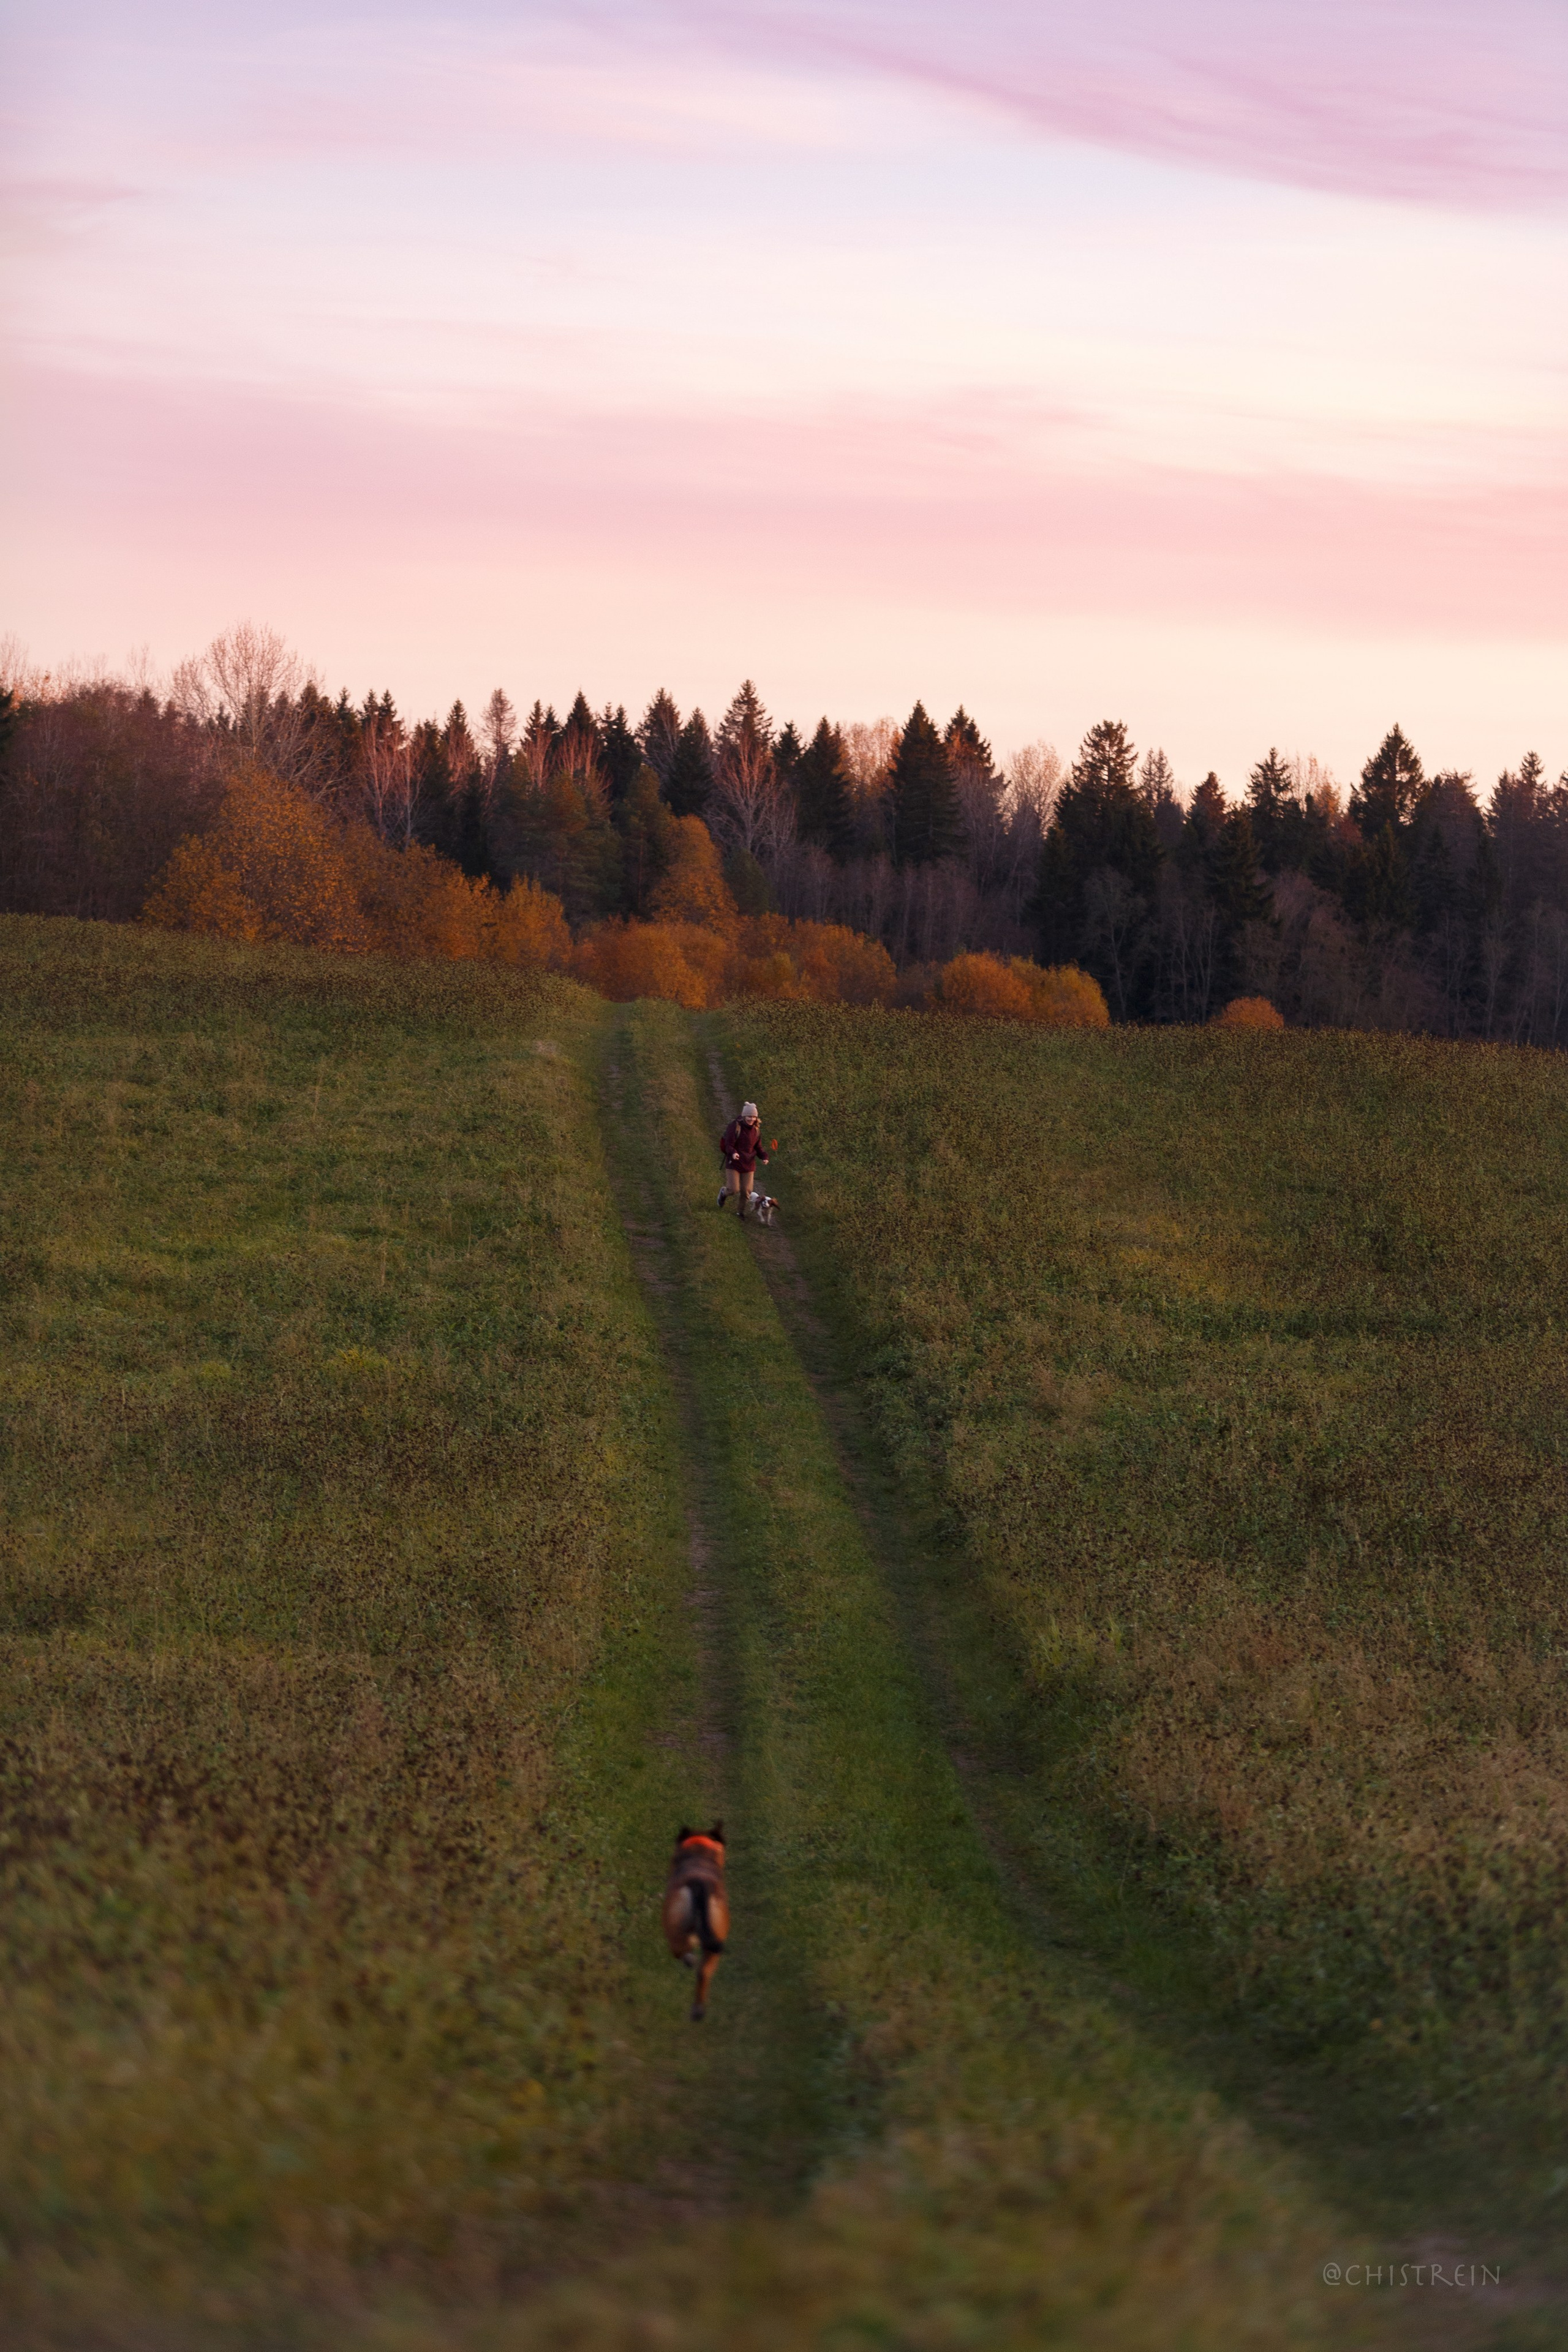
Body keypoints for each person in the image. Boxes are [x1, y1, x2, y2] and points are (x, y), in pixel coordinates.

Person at [717, 1101, 770, 1217]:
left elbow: (758, 1147)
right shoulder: (735, 1127)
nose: (751, 1119)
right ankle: (723, 1193)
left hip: (749, 1164)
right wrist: (733, 1153)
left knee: (747, 1191)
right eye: (749, 1116)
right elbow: (729, 1145)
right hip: (734, 1163)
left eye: (754, 1117)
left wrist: (764, 1157)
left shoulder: (756, 1130)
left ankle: (740, 1212)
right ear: (744, 1116)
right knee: (733, 1189)